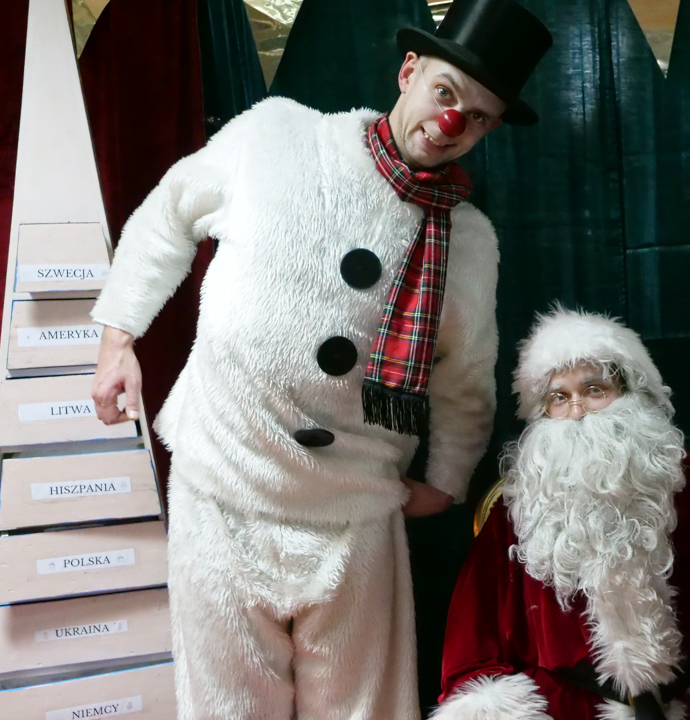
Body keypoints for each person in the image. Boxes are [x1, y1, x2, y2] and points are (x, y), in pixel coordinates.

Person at [86, 1, 551, 718]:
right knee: (227, 709)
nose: (454, 123)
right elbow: (170, 211)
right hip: (225, 486)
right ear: (409, 72)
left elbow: (464, 379)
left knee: (363, 711)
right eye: (447, 93)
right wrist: (119, 336)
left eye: (480, 116)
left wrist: (449, 478)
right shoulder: (277, 135)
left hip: (354, 514)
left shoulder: (469, 241)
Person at [435, 308, 690, 720]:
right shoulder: (515, 511)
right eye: (559, 398)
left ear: (632, 396)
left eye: (595, 389)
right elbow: (471, 648)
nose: (578, 411)